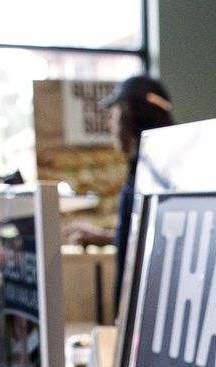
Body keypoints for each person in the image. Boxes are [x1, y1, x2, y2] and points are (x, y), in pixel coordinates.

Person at [69, 75, 175, 308]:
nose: (111, 125)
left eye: (115, 114)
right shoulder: (151, 173)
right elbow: (142, 236)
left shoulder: (152, 181)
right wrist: (103, 237)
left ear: (129, 114)